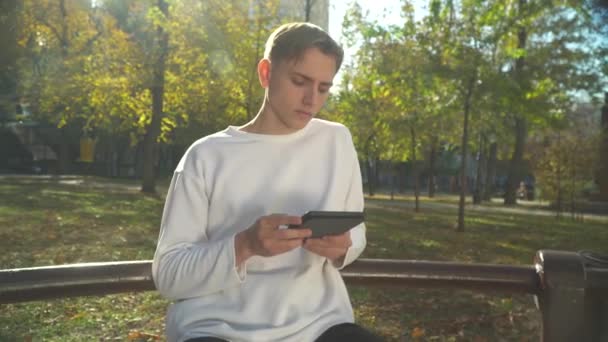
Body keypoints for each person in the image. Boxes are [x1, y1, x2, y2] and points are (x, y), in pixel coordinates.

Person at [152, 22, 380, 342]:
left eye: (324, 88)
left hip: (319, 326)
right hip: (216, 328)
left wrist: (344, 247)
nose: (311, 99)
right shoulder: (205, 156)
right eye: (299, 81)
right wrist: (244, 245)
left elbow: (355, 232)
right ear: (265, 73)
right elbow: (169, 275)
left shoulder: (337, 141)